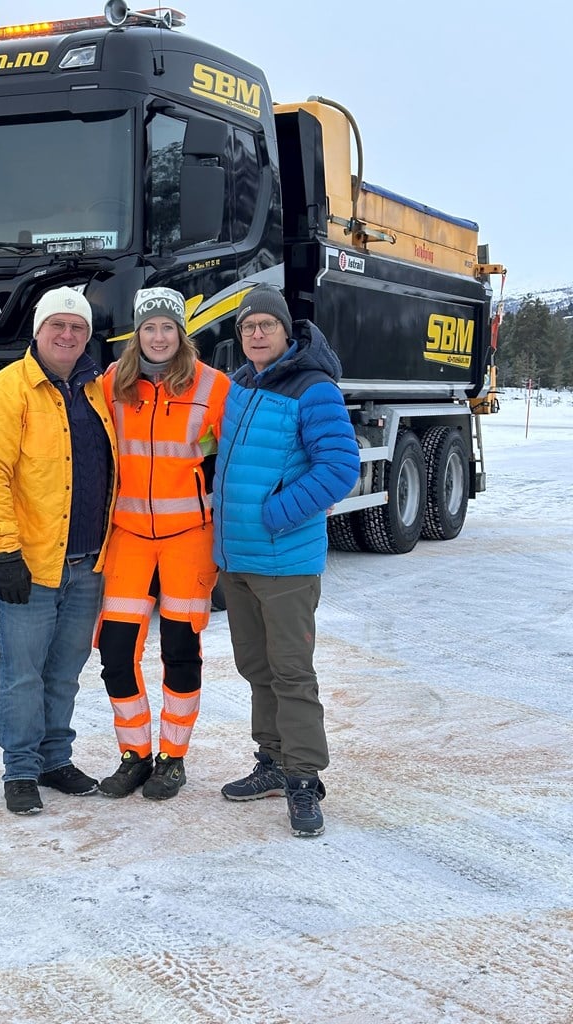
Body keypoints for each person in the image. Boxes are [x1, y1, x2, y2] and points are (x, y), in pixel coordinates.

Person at [0, 286, 117, 815]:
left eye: (77, 327)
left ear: (87, 336)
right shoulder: (5, 393)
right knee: (22, 673)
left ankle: (55, 759)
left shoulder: (96, 391)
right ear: (38, 331)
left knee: (65, 670)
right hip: (29, 562)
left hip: (88, 561)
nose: (67, 335)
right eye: (58, 326)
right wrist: (5, 551)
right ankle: (21, 770)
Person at [213, 284, 360, 837]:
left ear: (285, 330)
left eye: (266, 325)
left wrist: (277, 513)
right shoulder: (241, 385)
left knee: (293, 673)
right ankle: (271, 762)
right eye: (248, 326)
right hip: (239, 558)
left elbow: (340, 468)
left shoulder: (312, 387)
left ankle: (304, 779)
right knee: (257, 670)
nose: (256, 333)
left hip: (286, 560)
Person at [95, 287, 230, 800]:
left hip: (188, 538)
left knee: (180, 649)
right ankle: (134, 754)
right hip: (128, 536)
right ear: (137, 333)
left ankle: (173, 758)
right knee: (115, 651)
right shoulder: (111, 385)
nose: (158, 336)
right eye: (149, 327)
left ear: (181, 333)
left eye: (167, 327)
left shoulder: (213, 387)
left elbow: (235, 454)